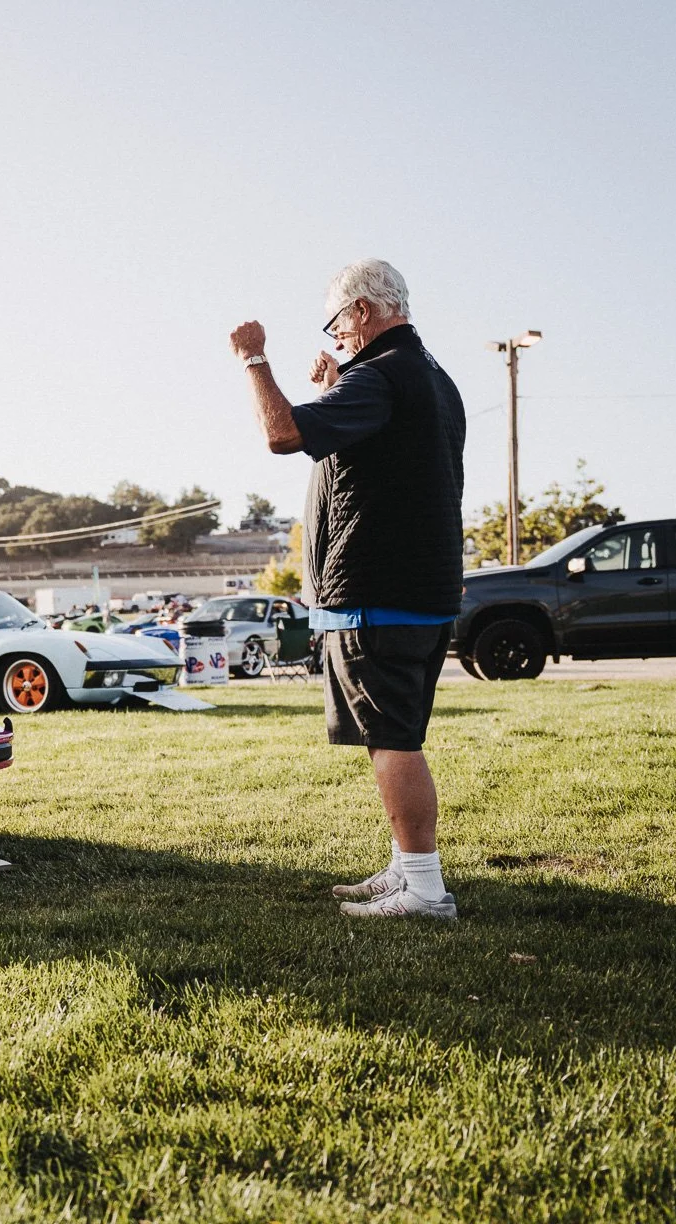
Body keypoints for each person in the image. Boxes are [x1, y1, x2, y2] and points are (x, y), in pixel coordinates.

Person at [230, 258, 466, 922]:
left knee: (393, 739)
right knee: (392, 732)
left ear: (363, 310)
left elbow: (282, 433)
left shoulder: (381, 374)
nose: (334, 335)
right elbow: (383, 458)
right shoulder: (431, 377)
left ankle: (425, 890)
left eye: (336, 321)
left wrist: (253, 359)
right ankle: (405, 868)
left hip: (379, 592)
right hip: (421, 589)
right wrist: (338, 390)